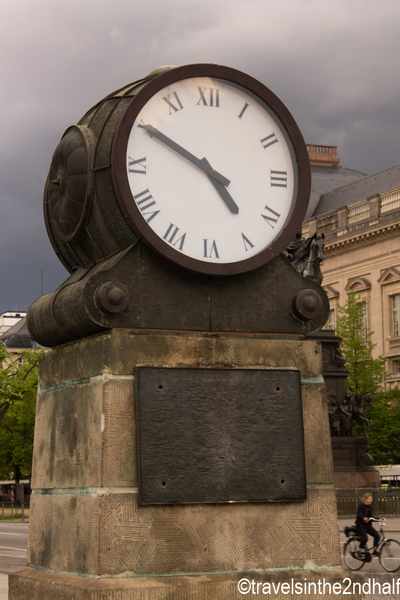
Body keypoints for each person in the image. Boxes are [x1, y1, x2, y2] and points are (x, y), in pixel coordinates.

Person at [355, 493, 380, 557]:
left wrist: (379, 519)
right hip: (360, 525)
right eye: (369, 499)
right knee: (365, 538)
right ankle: (359, 551)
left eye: (371, 499)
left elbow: (371, 517)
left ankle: (374, 550)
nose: (371, 500)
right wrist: (363, 517)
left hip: (367, 526)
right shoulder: (361, 506)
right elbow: (359, 514)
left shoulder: (370, 507)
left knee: (377, 535)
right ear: (365, 499)